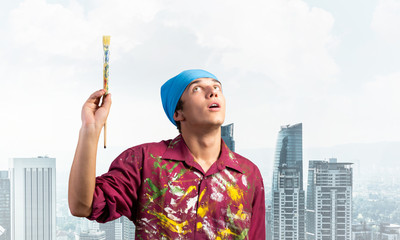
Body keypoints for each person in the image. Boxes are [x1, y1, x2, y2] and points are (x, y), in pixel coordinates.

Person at [68, 69, 266, 239]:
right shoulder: (144, 161)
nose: (212, 92)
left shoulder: (248, 174)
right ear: (177, 113)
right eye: (196, 88)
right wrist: (90, 130)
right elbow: (82, 206)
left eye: (217, 87)